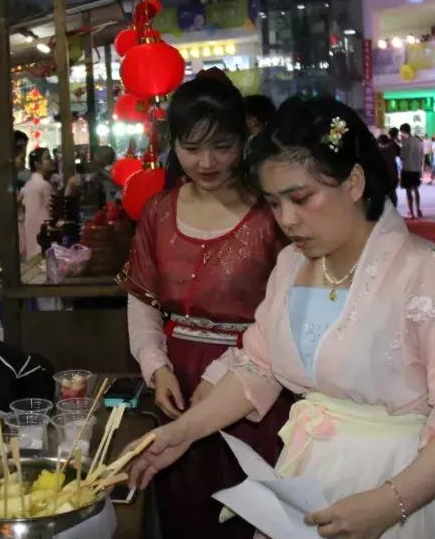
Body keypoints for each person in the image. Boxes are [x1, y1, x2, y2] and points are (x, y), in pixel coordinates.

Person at [129, 97, 435, 539]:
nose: (287, 219)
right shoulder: (291, 266)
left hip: (403, 482)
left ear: (353, 182)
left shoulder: (430, 272)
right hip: (311, 473)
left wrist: (389, 503)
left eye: (301, 198)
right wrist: (186, 431)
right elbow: (258, 365)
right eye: (273, 203)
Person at [119, 69, 289, 539]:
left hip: (255, 386)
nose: (208, 162)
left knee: (252, 511)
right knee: (185, 515)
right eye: (192, 149)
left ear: (244, 141)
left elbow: (287, 319)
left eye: (222, 146)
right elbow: (143, 301)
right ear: (174, 145)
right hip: (177, 381)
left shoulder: (271, 214)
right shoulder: (158, 212)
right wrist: (157, 368)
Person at [19, 147, 54, 260]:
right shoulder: (44, 185)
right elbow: (50, 209)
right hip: (43, 228)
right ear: (37, 164)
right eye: (47, 158)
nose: (50, 161)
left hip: (29, 228)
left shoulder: (27, 186)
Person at [398, 124, 424, 219]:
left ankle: (411, 212)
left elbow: (402, 156)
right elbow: (421, 154)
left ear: (403, 131)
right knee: (416, 189)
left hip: (407, 168)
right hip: (416, 168)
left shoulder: (405, 142)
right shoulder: (418, 140)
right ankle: (418, 210)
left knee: (408, 191)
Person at [377, 132, 399, 209]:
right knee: (392, 194)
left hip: (385, 177)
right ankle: (393, 209)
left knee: (385, 195)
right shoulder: (392, 150)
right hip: (393, 175)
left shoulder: (380, 152)